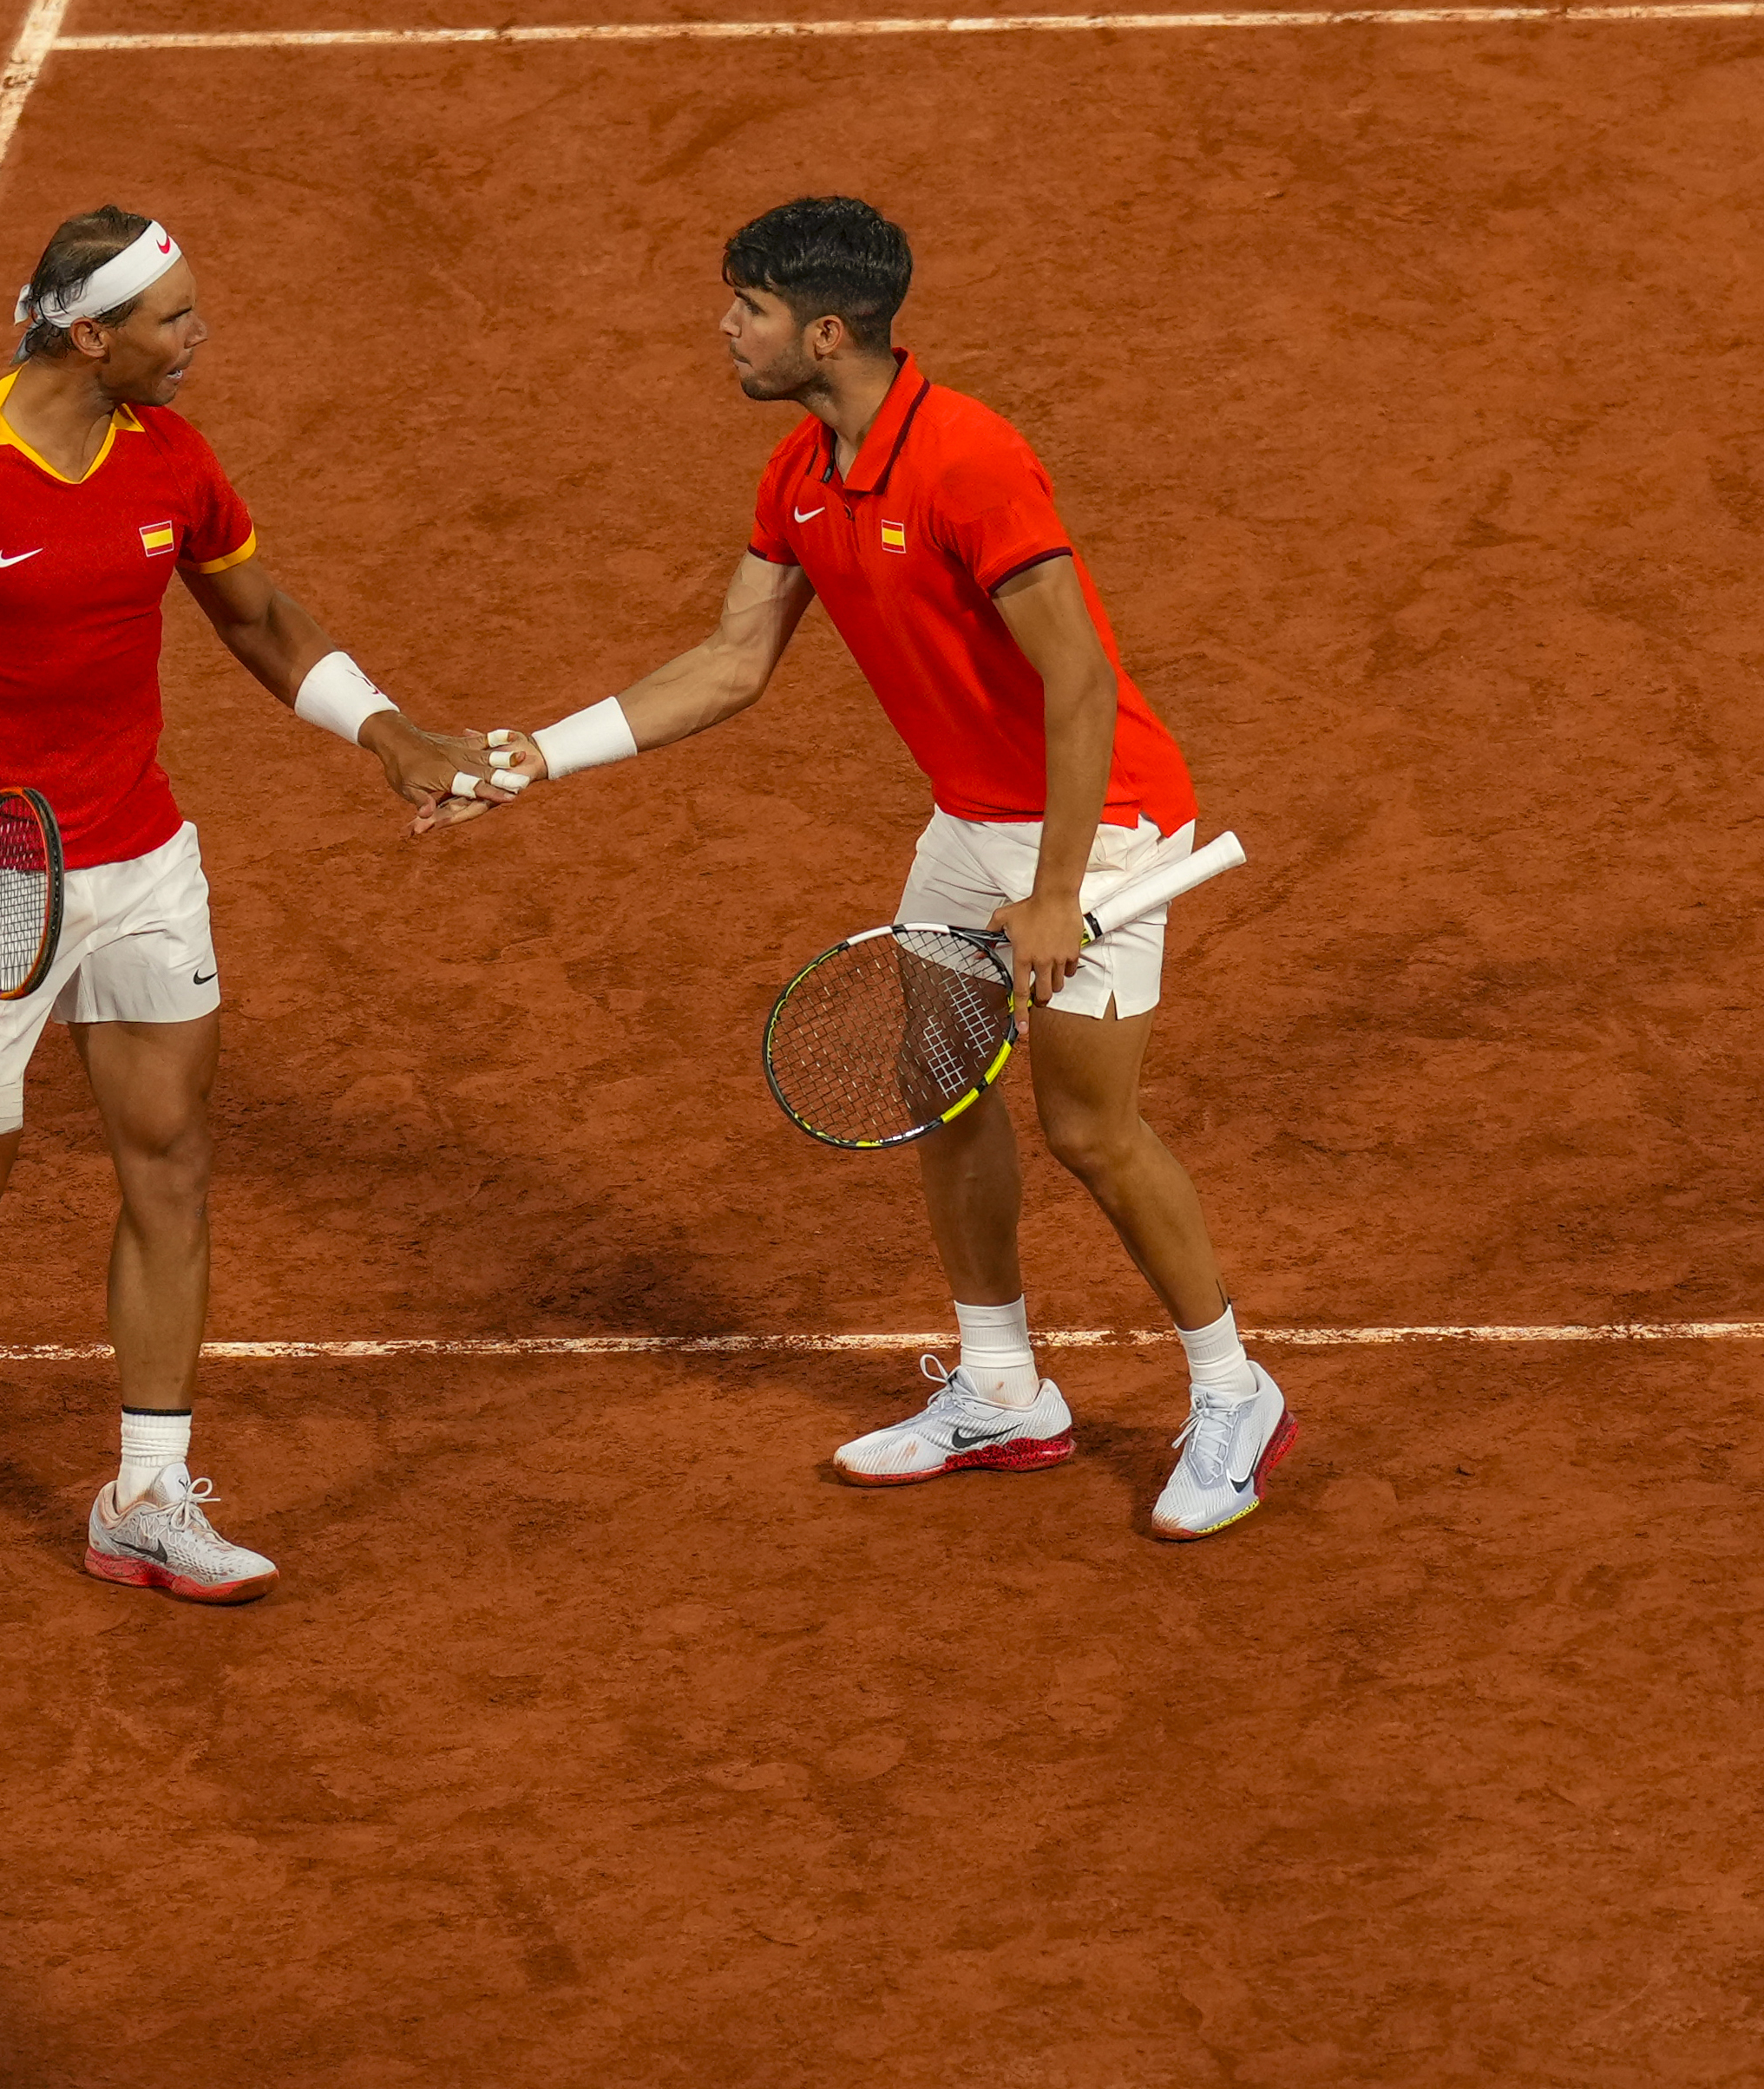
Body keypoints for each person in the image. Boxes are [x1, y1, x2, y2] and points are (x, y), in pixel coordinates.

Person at [471, 195, 1296, 1540]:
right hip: (970, 820)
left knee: (1089, 1126)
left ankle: (1233, 1388)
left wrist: (1055, 890)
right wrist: (537, 757)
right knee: (940, 1084)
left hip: (1106, 819)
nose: (726, 329)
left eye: (748, 309)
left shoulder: (971, 462)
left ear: (829, 329)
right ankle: (1001, 1388)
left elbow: (1080, 686)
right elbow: (733, 662)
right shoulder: (800, 470)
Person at [0, 206, 507, 1602]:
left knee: (170, 1159)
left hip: (137, 865)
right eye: (172, 320)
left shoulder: (169, 461)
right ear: (90, 333)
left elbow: (257, 616)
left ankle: (143, 1492)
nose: (196, 340)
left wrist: (389, 732)